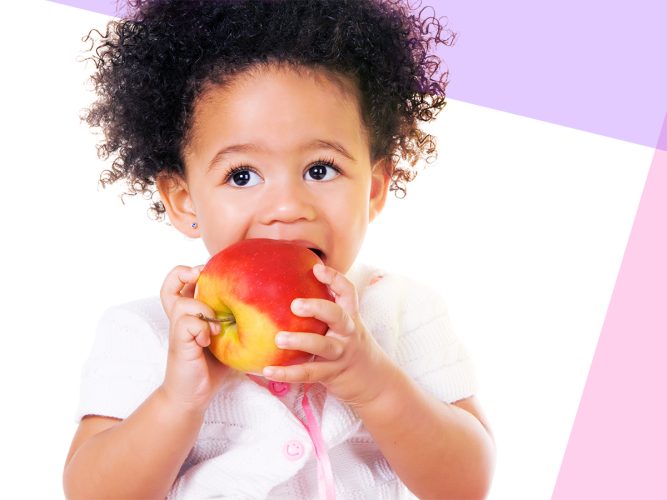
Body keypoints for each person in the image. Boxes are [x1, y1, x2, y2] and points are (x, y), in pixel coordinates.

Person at [63, 0, 495, 498]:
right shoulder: (150, 334)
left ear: (373, 189)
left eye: (320, 169)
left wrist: (372, 382)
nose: (287, 207)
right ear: (184, 202)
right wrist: (177, 400)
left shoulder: (400, 313)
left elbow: (466, 484)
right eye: (242, 175)